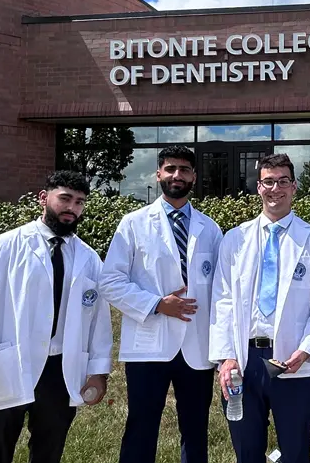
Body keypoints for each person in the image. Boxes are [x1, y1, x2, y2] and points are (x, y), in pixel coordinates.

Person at [0, 170, 113, 463]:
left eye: (79, 202)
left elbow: (99, 319)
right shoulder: (2, 247)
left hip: (59, 372)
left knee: (49, 452)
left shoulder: (89, 259)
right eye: (65, 199)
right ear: (43, 198)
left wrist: (98, 371)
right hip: (7, 364)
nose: (71, 208)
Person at [209, 153, 310, 463]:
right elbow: (222, 300)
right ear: (258, 187)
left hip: (294, 360)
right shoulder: (235, 239)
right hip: (245, 361)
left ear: (294, 187)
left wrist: (306, 350)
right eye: (269, 181)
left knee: (295, 451)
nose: (275, 188)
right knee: (247, 450)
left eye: (283, 181)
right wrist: (226, 357)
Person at [99, 145, 223, 463]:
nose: (176, 175)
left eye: (184, 169)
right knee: (141, 427)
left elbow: (223, 292)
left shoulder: (210, 230)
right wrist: (156, 304)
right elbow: (110, 282)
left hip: (196, 346)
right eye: (170, 169)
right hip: (149, 345)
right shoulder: (133, 224)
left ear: (194, 176)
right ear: (158, 174)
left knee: (196, 431)